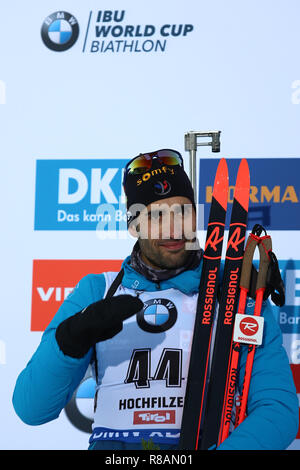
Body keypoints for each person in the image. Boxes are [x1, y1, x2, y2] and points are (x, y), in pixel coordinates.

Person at [13, 149, 298, 450]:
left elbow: (277, 411)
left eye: (183, 211)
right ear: (133, 225)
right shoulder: (99, 290)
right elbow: (31, 408)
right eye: (157, 215)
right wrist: (68, 342)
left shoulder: (234, 289)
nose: (174, 228)